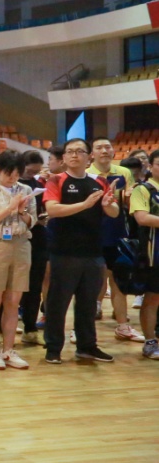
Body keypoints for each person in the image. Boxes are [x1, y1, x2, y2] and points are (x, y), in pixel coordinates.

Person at [42, 138, 120, 365]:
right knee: (58, 303)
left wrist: (108, 204)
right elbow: (52, 209)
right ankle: (53, 348)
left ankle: (87, 346)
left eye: (79, 151)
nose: (74, 155)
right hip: (64, 252)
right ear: (64, 157)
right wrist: (84, 205)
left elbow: (114, 212)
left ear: (88, 157)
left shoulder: (99, 181)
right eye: (70, 151)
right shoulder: (57, 180)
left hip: (93, 252)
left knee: (88, 303)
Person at [0, 150, 37, 370]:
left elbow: (33, 221)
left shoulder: (26, 190)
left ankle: (9, 350)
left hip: (21, 246)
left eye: (17, 173)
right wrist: (9, 209)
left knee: (13, 301)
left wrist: (21, 212)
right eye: (9, 173)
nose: (13, 178)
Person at [86, 137, 143, 343]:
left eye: (107, 147)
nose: (104, 150)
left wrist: (129, 196)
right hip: (91, 234)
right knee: (90, 282)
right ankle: (81, 329)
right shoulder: (86, 174)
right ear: (92, 154)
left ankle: (123, 326)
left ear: (113, 151)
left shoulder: (124, 172)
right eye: (99, 147)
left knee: (118, 280)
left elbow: (129, 203)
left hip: (116, 232)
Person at [128, 150, 159, 359]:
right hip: (154, 252)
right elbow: (142, 218)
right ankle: (150, 342)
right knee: (153, 297)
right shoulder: (143, 189)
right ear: (150, 166)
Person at [18, 150, 50, 345]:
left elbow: (43, 210)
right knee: (11, 285)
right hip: (15, 237)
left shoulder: (39, 186)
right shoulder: (12, 186)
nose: (33, 175)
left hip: (37, 238)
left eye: (36, 172)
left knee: (34, 285)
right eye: (30, 171)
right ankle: (3, 324)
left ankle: (30, 327)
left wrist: (43, 217)